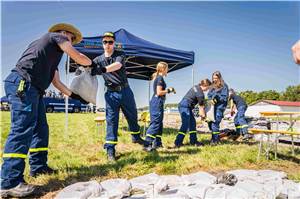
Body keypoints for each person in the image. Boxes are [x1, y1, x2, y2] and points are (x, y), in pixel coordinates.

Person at [0, 23, 92, 198]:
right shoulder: (55, 37)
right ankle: (9, 182)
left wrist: (77, 97)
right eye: (71, 39)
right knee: (22, 130)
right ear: (65, 34)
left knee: (41, 128)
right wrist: (93, 66)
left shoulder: (51, 57)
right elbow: (78, 57)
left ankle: (38, 166)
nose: (71, 42)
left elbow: (57, 84)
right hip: (23, 84)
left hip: (34, 90)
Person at [91, 31, 144, 161]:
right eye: (105, 42)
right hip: (111, 94)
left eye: (110, 42)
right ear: (102, 44)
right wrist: (84, 68)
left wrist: (102, 69)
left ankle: (136, 137)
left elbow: (117, 65)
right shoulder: (98, 59)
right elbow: (89, 67)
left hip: (125, 91)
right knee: (112, 121)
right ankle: (110, 149)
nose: (108, 44)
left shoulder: (120, 54)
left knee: (132, 116)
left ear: (114, 43)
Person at [143, 62, 175, 152]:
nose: (167, 70)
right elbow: (159, 92)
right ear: (163, 69)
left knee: (159, 124)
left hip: (157, 102)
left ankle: (157, 143)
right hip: (157, 102)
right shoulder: (160, 78)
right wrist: (169, 90)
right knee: (156, 123)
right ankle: (147, 144)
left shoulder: (158, 77)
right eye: (167, 68)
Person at [174, 79, 211, 147]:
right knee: (185, 124)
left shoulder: (196, 86)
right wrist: (204, 117)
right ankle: (178, 142)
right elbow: (201, 109)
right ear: (205, 85)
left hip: (185, 106)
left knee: (192, 123)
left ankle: (193, 141)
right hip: (185, 106)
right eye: (208, 87)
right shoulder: (200, 94)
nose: (208, 89)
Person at [207, 71, 229, 145]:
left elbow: (225, 98)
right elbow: (209, 95)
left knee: (215, 124)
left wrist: (217, 99)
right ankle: (215, 137)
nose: (214, 79)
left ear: (219, 78)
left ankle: (215, 140)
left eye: (216, 78)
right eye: (213, 78)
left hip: (219, 108)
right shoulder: (212, 86)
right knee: (210, 123)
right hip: (212, 108)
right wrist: (210, 100)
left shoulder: (224, 86)